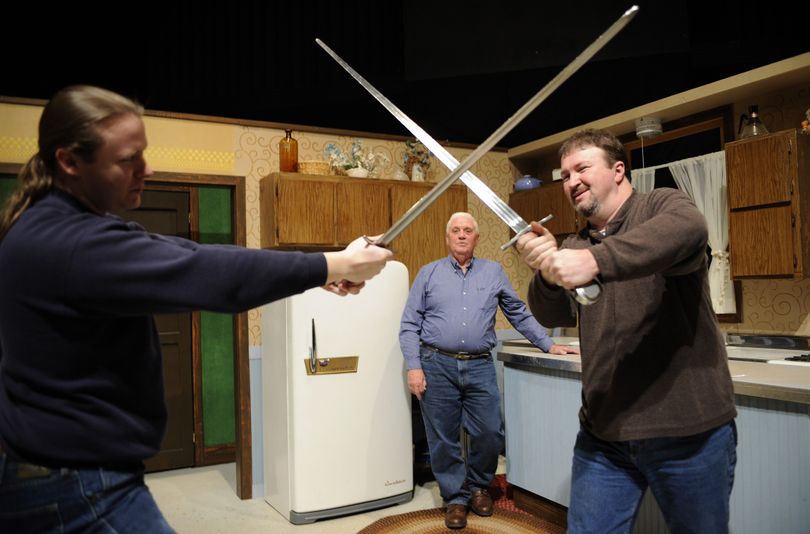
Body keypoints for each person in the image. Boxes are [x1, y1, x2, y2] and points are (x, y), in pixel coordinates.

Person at [0, 85, 392, 533]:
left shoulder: (57, 227)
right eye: (128, 159)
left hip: (64, 474)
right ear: (70, 161)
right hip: (80, 485)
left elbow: (176, 251)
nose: (146, 169)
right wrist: (335, 263)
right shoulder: (72, 243)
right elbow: (207, 271)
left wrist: (319, 271)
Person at [516, 128, 737, 534]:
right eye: (564, 175)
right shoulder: (575, 243)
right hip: (604, 434)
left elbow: (690, 230)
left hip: (689, 432)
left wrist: (595, 261)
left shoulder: (661, 205)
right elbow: (550, 314)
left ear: (618, 170)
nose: (571, 181)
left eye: (582, 168)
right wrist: (547, 272)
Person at [399, 211, 577, 529]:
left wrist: (548, 345)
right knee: (443, 438)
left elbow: (518, 313)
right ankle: (455, 497)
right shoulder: (428, 274)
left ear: (477, 238)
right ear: (447, 236)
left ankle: (480, 487)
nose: (462, 235)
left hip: (480, 365)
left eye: (468, 230)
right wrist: (414, 366)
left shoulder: (493, 272)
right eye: (456, 230)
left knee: (489, 432)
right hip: (436, 364)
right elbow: (410, 325)